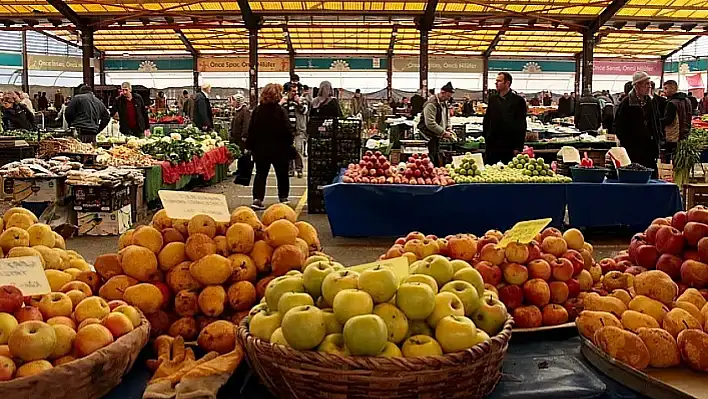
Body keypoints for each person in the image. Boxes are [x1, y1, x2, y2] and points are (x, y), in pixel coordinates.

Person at [246, 83, 294, 210]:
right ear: (278, 95)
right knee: (282, 174)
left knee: (261, 174)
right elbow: (287, 130)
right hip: (280, 149)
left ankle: (257, 199)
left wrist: (249, 146)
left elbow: (251, 129)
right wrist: (290, 143)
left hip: (260, 149)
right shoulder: (281, 111)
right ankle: (283, 198)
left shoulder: (257, 110)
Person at [613, 72, 662, 174]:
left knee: (651, 176)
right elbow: (618, 125)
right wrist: (628, 142)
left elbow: (656, 122)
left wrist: (658, 138)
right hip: (633, 150)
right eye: (646, 84)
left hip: (650, 148)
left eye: (649, 83)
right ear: (637, 85)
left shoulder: (652, 101)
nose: (649, 86)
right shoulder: (626, 103)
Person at [483, 72, 527, 165]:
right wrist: (486, 136)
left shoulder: (518, 101)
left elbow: (521, 124)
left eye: (499, 81)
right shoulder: (493, 99)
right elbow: (487, 119)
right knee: (489, 172)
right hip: (492, 145)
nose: (496, 83)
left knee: (508, 173)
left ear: (507, 83)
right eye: (496, 81)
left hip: (508, 145)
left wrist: (518, 147)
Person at [418, 82, 454, 167]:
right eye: (448, 96)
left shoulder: (444, 103)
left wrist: (448, 128)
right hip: (428, 136)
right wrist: (443, 132)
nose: (448, 99)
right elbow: (430, 123)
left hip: (436, 135)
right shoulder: (431, 104)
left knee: (436, 155)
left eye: (450, 97)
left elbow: (447, 117)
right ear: (442, 92)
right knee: (430, 158)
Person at [661, 80, 692, 159]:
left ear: (673, 88)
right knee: (681, 159)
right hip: (685, 134)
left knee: (671, 157)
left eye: (666, 88)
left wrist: (656, 121)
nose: (664, 91)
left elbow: (668, 120)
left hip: (673, 135)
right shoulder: (687, 100)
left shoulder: (672, 103)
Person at [282, 84, 308, 178]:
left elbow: (305, 111)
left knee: (298, 149)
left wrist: (299, 103)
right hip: (286, 130)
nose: (295, 93)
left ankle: (299, 169)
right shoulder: (284, 101)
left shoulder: (302, 100)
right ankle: (290, 170)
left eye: (296, 91)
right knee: (287, 150)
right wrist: (281, 103)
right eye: (293, 91)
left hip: (298, 130)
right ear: (288, 92)